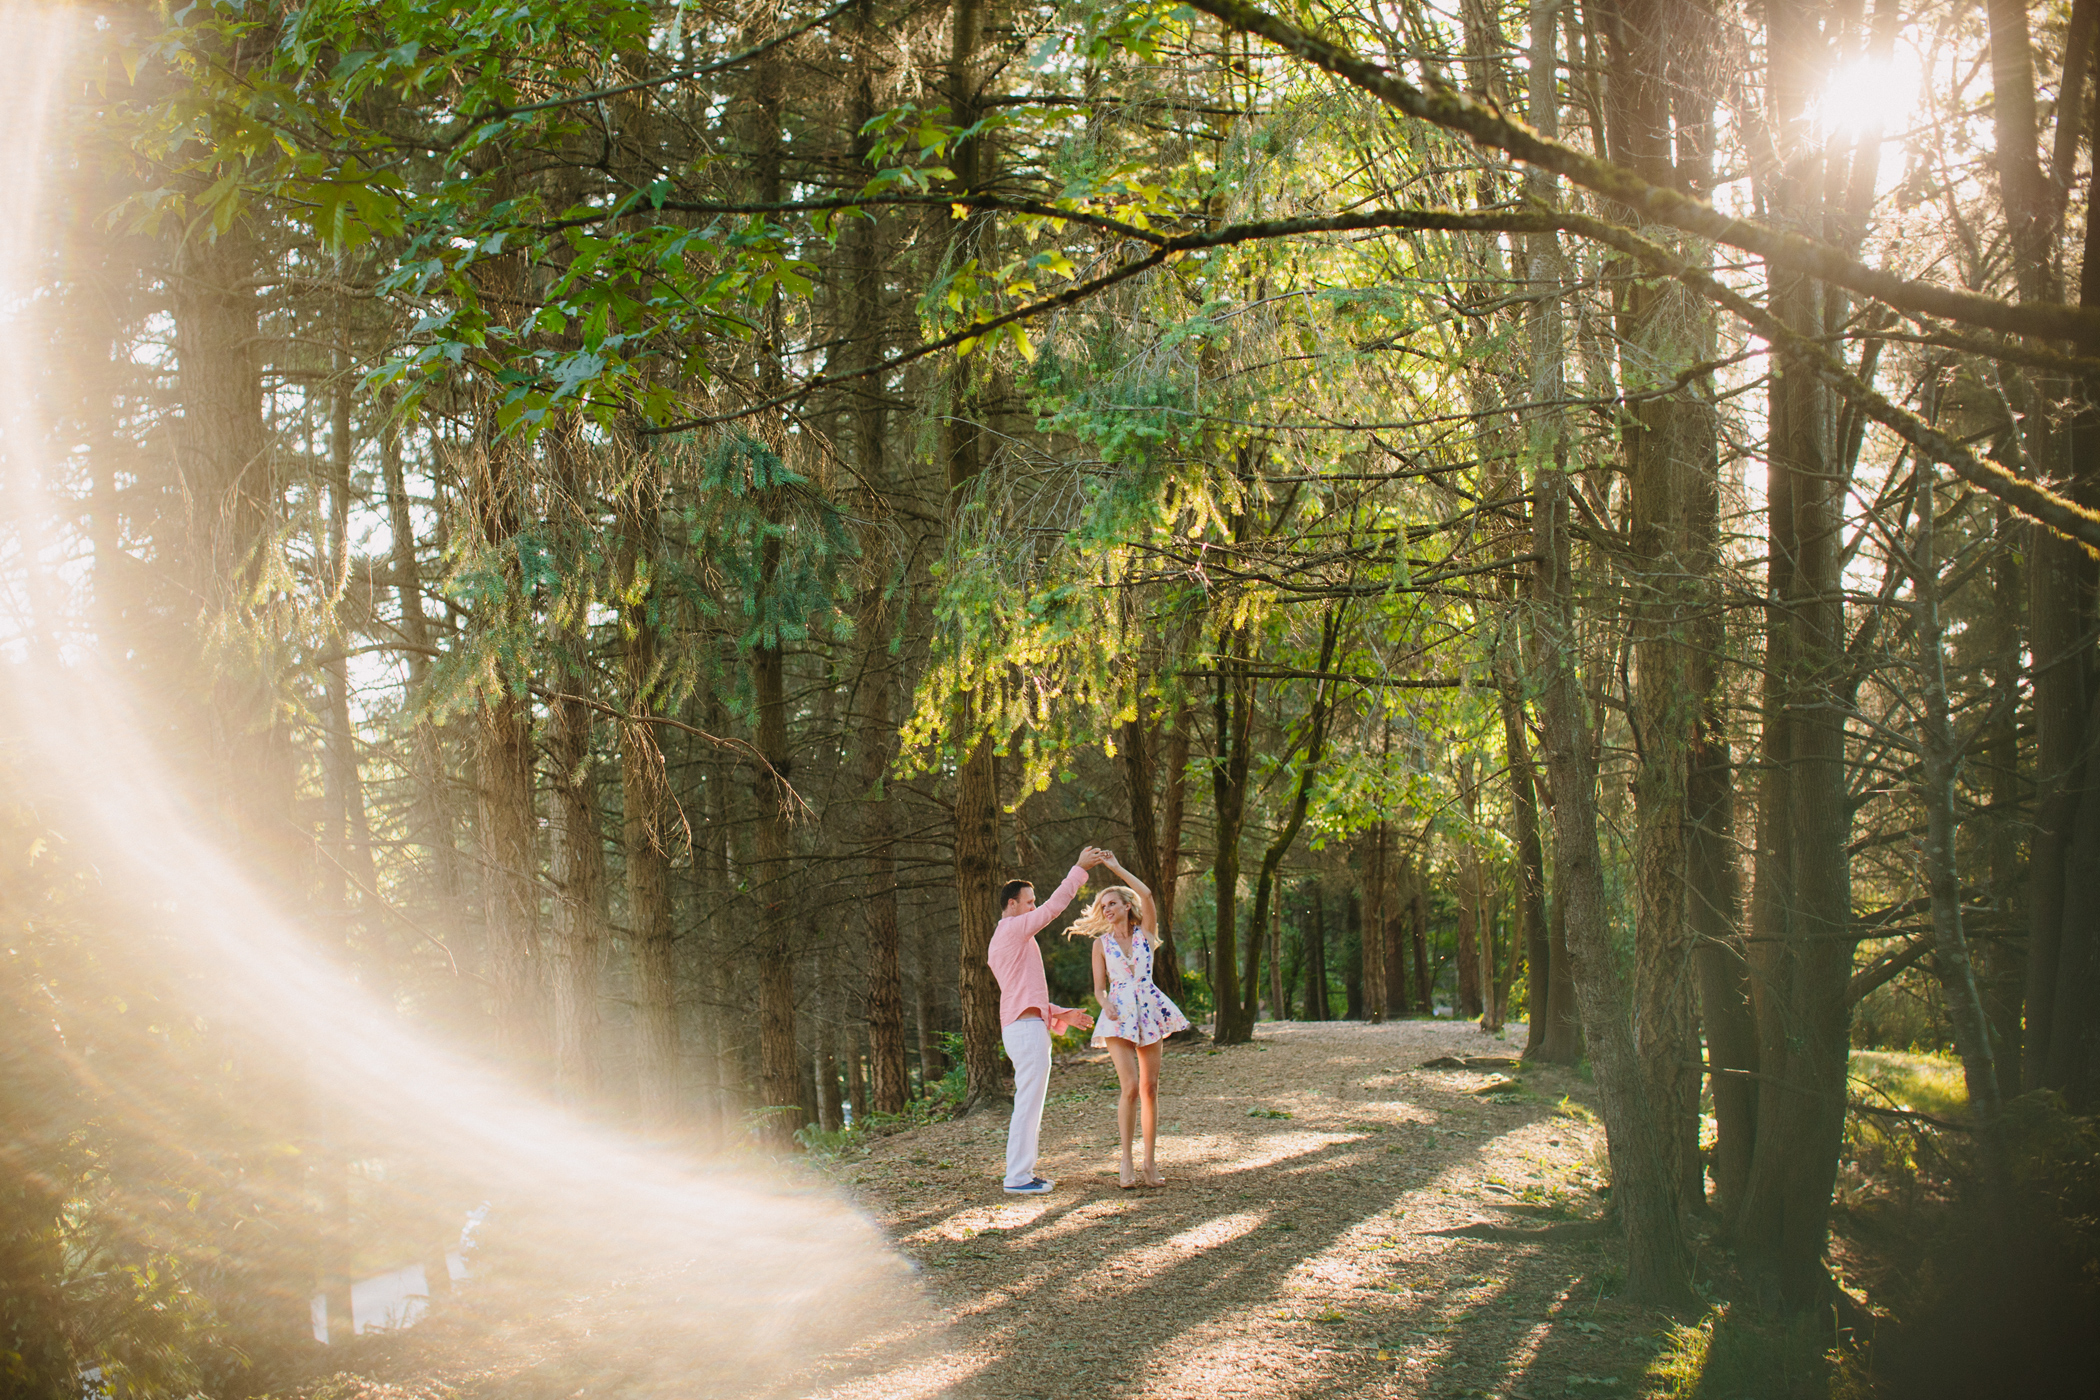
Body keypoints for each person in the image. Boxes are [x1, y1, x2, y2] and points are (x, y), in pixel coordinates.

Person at [986, 848, 1104, 1195]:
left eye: (1034, 903)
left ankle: (1022, 1174)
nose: (1034, 908)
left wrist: (1061, 1013)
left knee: (1030, 1104)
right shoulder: (1010, 931)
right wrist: (1079, 870)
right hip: (1024, 1031)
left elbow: (1025, 995)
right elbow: (1054, 909)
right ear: (1011, 905)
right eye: (1029, 903)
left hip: (1024, 1026)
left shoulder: (1010, 940)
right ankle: (1018, 1178)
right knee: (1027, 1104)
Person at [1073, 851, 1190, 1188]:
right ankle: (1125, 1161)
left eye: (1112, 903)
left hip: (1149, 1009)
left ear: (1126, 905)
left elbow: (1149, 894)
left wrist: (1114, 867)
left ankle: (1150, 1163)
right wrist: (1105, 1003)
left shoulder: (1146, 934)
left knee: (1150, 1089)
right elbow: (1098, 989)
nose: (1107, 910)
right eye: (1102, 906)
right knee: (1130, 1088)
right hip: (1118, 1015)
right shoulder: (1101, 945)